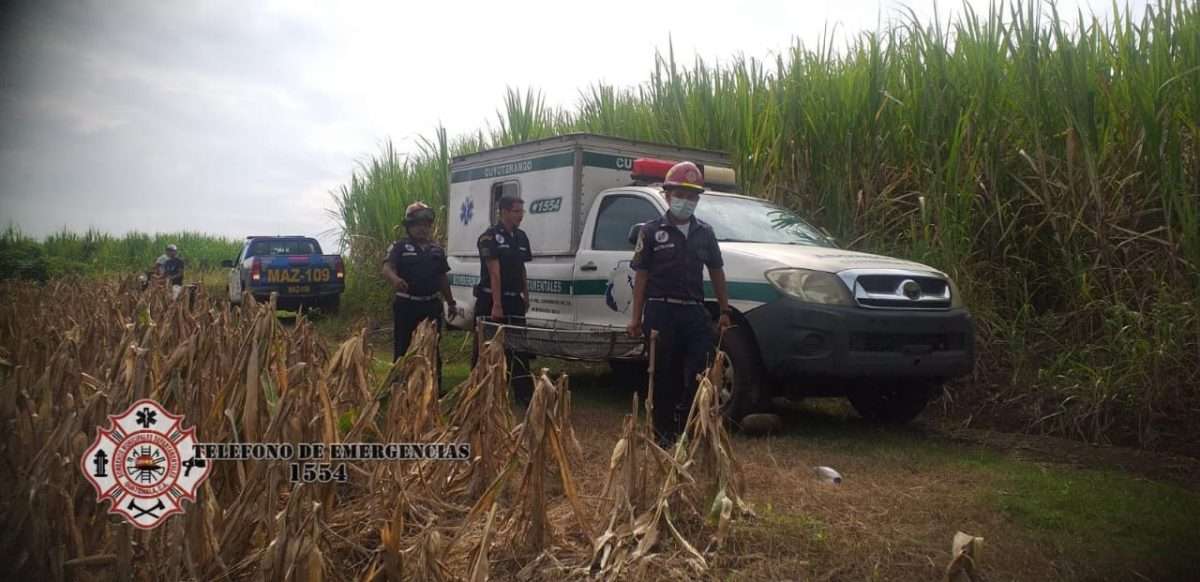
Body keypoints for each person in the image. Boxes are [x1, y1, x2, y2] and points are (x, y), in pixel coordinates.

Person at [626, 161, 732, 446]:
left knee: (699, 372)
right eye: (680, 195)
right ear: (667, 195)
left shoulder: (705, 233)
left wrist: (724, 310)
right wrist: (636, 318)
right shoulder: (650, 232)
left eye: (691, 196)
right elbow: (642, 277)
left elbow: (717, 271)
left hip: (694, 311)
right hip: (661, 311)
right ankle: (663, 435)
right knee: (663, 375)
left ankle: (687, 427)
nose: (685, 201)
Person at [382, 202, 455, 389]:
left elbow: (442, 278)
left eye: (426, 224)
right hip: (407, 306)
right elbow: (387, 268)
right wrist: (395, 280)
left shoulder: (437, 249)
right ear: (409, 226)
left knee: (433, 347)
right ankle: (398, 387)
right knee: (403, 347)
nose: (423, 228)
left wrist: (451, 302)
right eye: (418, 224)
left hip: (431, 306)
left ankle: (434, 387)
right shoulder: (399, 247)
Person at [472, 192, 534, 405]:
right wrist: (497, 305)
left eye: (521, 211)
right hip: (491, 299)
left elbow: (522, 268)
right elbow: (494, 272)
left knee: (519, 347)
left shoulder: (521, 236)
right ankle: (478, 392)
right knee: (487, 347)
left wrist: (525, 295)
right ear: (504, 212)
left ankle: (523, 394)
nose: (520, 215)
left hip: (514, 299)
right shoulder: (489, 237)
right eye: (516, 211)